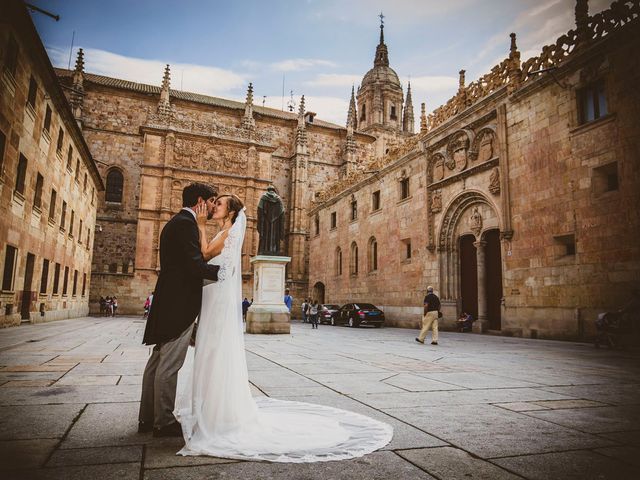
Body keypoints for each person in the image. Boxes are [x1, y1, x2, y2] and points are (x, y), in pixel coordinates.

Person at [173, 194, 392, 462]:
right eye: (214, 202)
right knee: (215, 353)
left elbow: (205, 254)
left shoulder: (228, 232)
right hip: (214, 300)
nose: (213, 206)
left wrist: (199, 224)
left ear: (230, 213)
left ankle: (215, 413)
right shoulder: (228, 230)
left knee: (214, 352)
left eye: (218, 204)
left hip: (216, 303)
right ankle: (214, 408)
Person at [138, 182, 220, 438]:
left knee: (158, 359)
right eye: (212, 201)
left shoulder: (176, 222)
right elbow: (194, 266)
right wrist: (224, 272)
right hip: (179, 304)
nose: (213, 206)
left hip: (167, 300)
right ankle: (162, 421)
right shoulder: (186, 224)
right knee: (169, 363)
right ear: (200, 201)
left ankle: (147, 418)